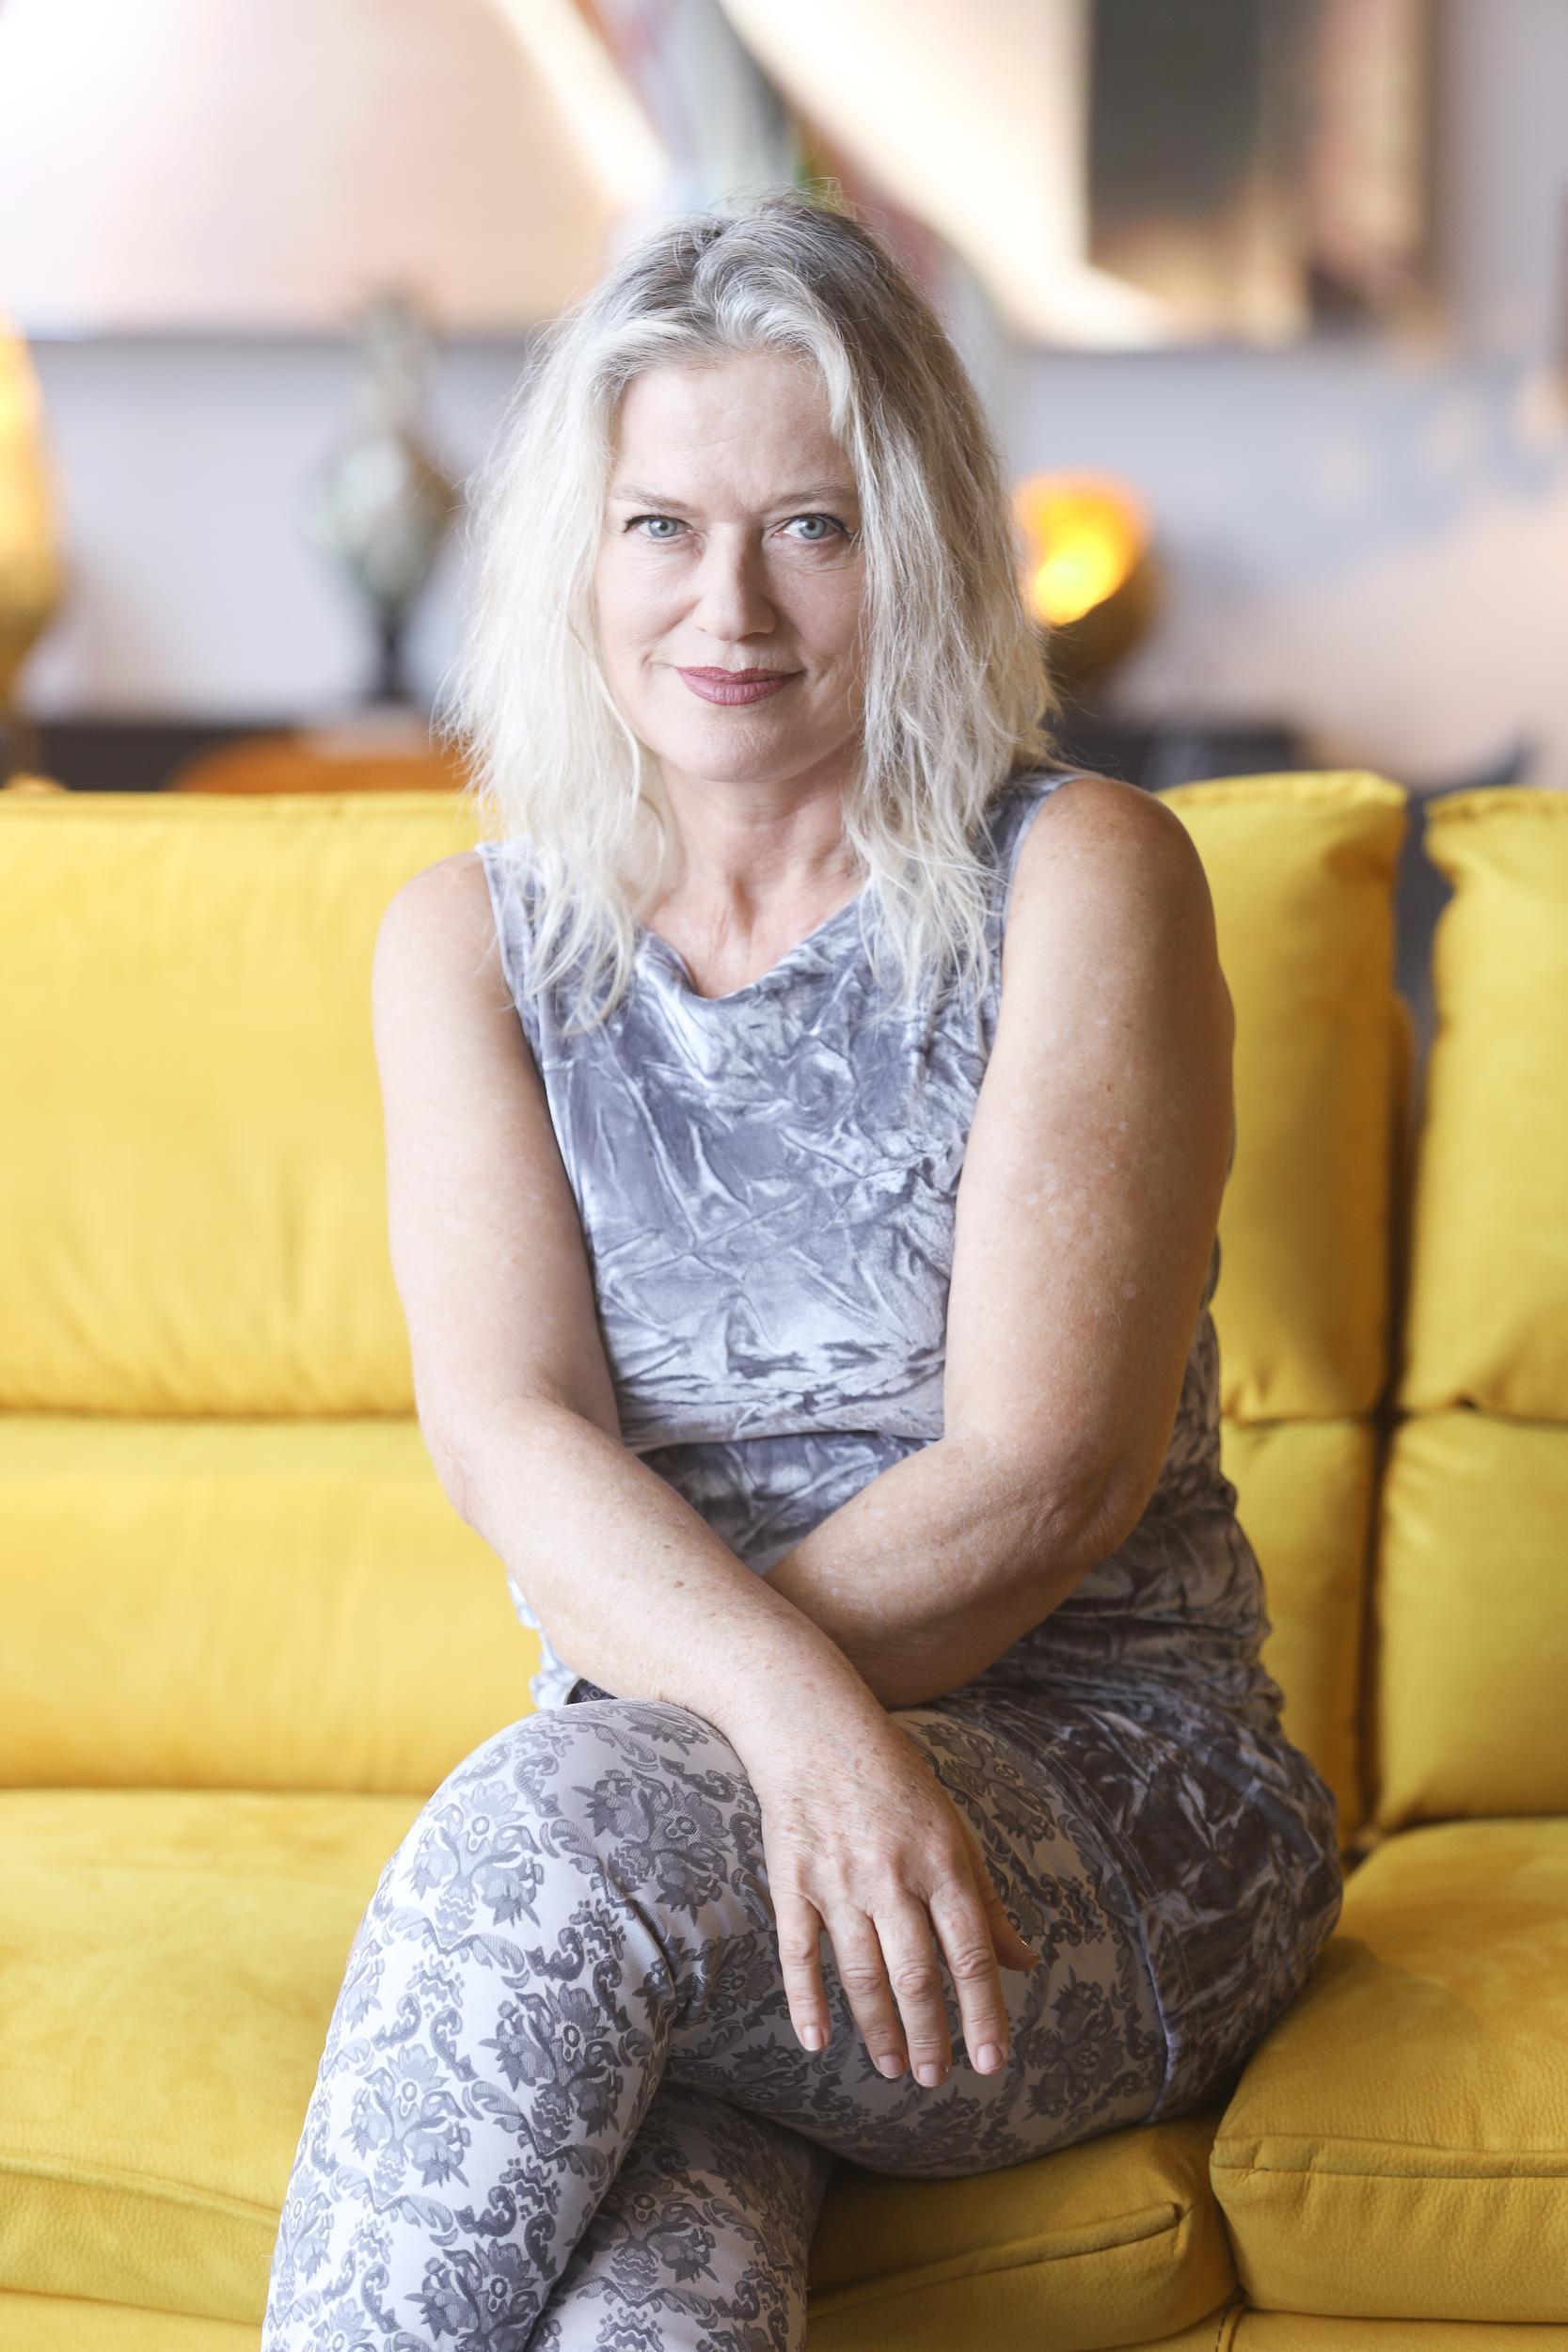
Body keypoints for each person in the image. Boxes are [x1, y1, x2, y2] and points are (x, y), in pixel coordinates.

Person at [261, 186, 1343, 2352]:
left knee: (558, 1844)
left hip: (1104, 1796)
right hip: (699, 1811)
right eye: (660, 525)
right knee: (641, 2306)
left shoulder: (1084, 880)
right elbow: (511, 1432)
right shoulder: (471, 941)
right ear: (577, 559)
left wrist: (737, 1728)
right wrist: (788, 1730)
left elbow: (1045, 1472)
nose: (728, 603)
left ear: (916, 550)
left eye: (812, 529)